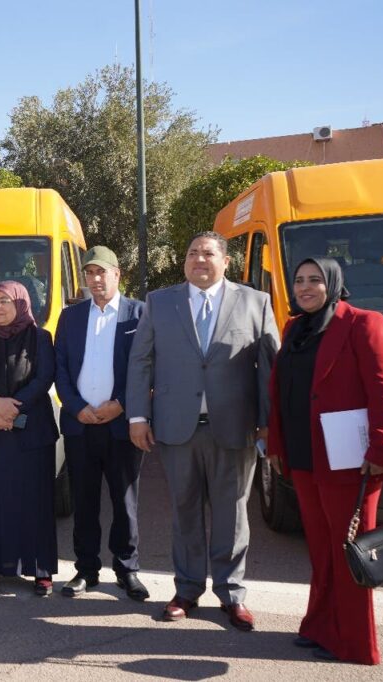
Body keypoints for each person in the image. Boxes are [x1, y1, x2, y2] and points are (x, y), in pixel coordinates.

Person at [127, 231, 278, 631]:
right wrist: (138, 416)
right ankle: (187, 589)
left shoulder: (256, 302)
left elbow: (270, 369)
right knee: (184, 511)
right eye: (192, 252)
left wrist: (268, 424)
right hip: (178, 429)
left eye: (208, 253)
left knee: (233, 515)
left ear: (226, 261)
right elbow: (141, 362)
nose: (198, 259)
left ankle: (232, 593)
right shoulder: (160, 302)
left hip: (236, 429)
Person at [267, 257, 383, 665]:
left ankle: (355, 644)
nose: (305, 287)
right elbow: (283, 391)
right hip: (304, 455)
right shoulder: (295, 328)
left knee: (349, 552)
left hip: (351, 460)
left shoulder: (364, 323)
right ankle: (321, 626)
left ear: (334, 284)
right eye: (299, 280)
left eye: (315, 280)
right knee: (322, 549)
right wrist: (276, 445)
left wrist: (382, 450)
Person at [54, 247, 148, 601]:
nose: (95, 280)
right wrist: (76, 407)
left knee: (124, 502)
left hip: (120, 426)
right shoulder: (71, 316)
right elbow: (60, 367)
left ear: (117, 274)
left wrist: (120, 405)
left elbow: (147, 367)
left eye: (101, 272)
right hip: (80, 426)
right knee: (84, 501)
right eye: (89, 273)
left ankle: (127, 569)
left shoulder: (139, 314)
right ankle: (86, 569)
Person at [0, 281, 58, 595]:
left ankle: (40, 570)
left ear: (21, 303)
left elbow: (44, 378)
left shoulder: (40, 338)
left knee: (34, 501)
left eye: (5, 301)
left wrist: (11, 409)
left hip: (31, 435)